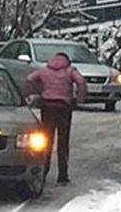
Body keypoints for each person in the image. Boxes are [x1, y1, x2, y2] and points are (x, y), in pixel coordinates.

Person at [26, 53, 86, 185]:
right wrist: (79, 99)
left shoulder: (44, 70)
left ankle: (44, 171)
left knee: (46, 141)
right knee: (63, 142)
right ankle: (62, 176)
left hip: (47, 108)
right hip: (64, 108)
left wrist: (32, 94)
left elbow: (30, 79)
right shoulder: (70, 70)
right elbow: (81, 81)